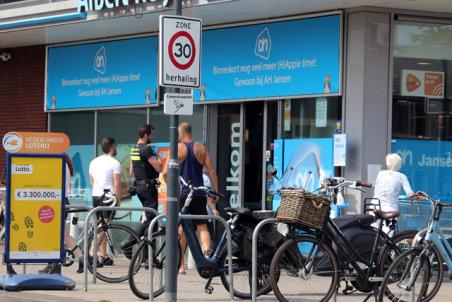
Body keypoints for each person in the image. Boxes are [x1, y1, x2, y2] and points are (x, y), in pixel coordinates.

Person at [164, 122, 219, 274]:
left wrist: (170, 188)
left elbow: (165, 172)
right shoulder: (201, 148)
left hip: (183, 194)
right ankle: (207, 261)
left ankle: (180, 266)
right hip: (200, 193)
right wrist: (216, 191)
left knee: (182, 228)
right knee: (202, 227)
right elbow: (212, 171)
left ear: (181, 132)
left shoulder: (178, 148)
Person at [125, 124, 161, 243]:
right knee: (152, 220)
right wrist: (158, 158)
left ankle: (146, 255)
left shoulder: (134, 149)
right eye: (151, 134)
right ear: (146, 135)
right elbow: (158, 168)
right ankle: (130, 243)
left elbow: (131, 171)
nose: (152, 136)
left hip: (140, 187)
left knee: (150, 218)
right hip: (148, 187)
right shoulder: (146, 149)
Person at [88, 137, 122, 265]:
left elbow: (92, 181)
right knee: (104, 225)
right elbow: (117, 184)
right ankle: (91, 253)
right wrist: (118, 201)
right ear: (112, 147)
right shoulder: (114, 163)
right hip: (108, 196)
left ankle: (103, 255)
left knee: (101, 225)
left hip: (96, 195)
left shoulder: (94, 162)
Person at [373, 153, 421, 233]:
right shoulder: (402, 176)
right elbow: (410, 195)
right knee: (387, 234)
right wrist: (420, 197)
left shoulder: (380, 173)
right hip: (390, 209)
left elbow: (376, 186)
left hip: (374, 206)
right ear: (399, 164)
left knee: (373, 232)